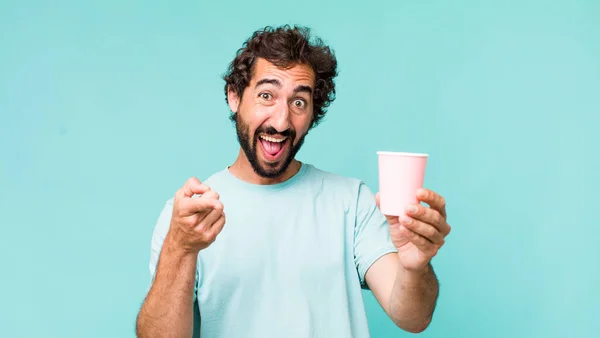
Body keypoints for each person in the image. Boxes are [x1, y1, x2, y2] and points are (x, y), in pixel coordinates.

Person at [135, 25, 451, 338]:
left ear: (313, 112)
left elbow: (413, 317)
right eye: (266, 96)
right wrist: (180, 249)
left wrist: (415, 265)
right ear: (234, 96)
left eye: (298, 102)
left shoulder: (352, 202)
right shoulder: (190, 219)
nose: (282, 120)